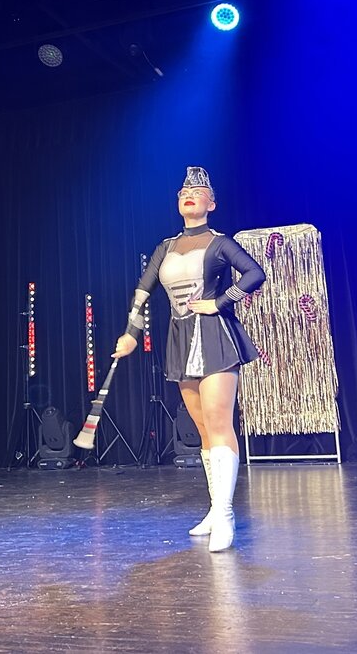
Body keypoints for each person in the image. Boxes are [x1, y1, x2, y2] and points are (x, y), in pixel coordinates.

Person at [113, 166, 266, 552]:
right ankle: (215, 509)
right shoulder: (165, 247)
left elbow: (255, 273)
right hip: (180, 339)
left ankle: (226, 514)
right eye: (184, 192)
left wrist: (220, 302)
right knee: (202, 429)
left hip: (214, 336)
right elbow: (142, 292)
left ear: (211, 204)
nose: (189, 195)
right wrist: (131, 334)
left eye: (198, 191)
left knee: (218, 422)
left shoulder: (220, 243)